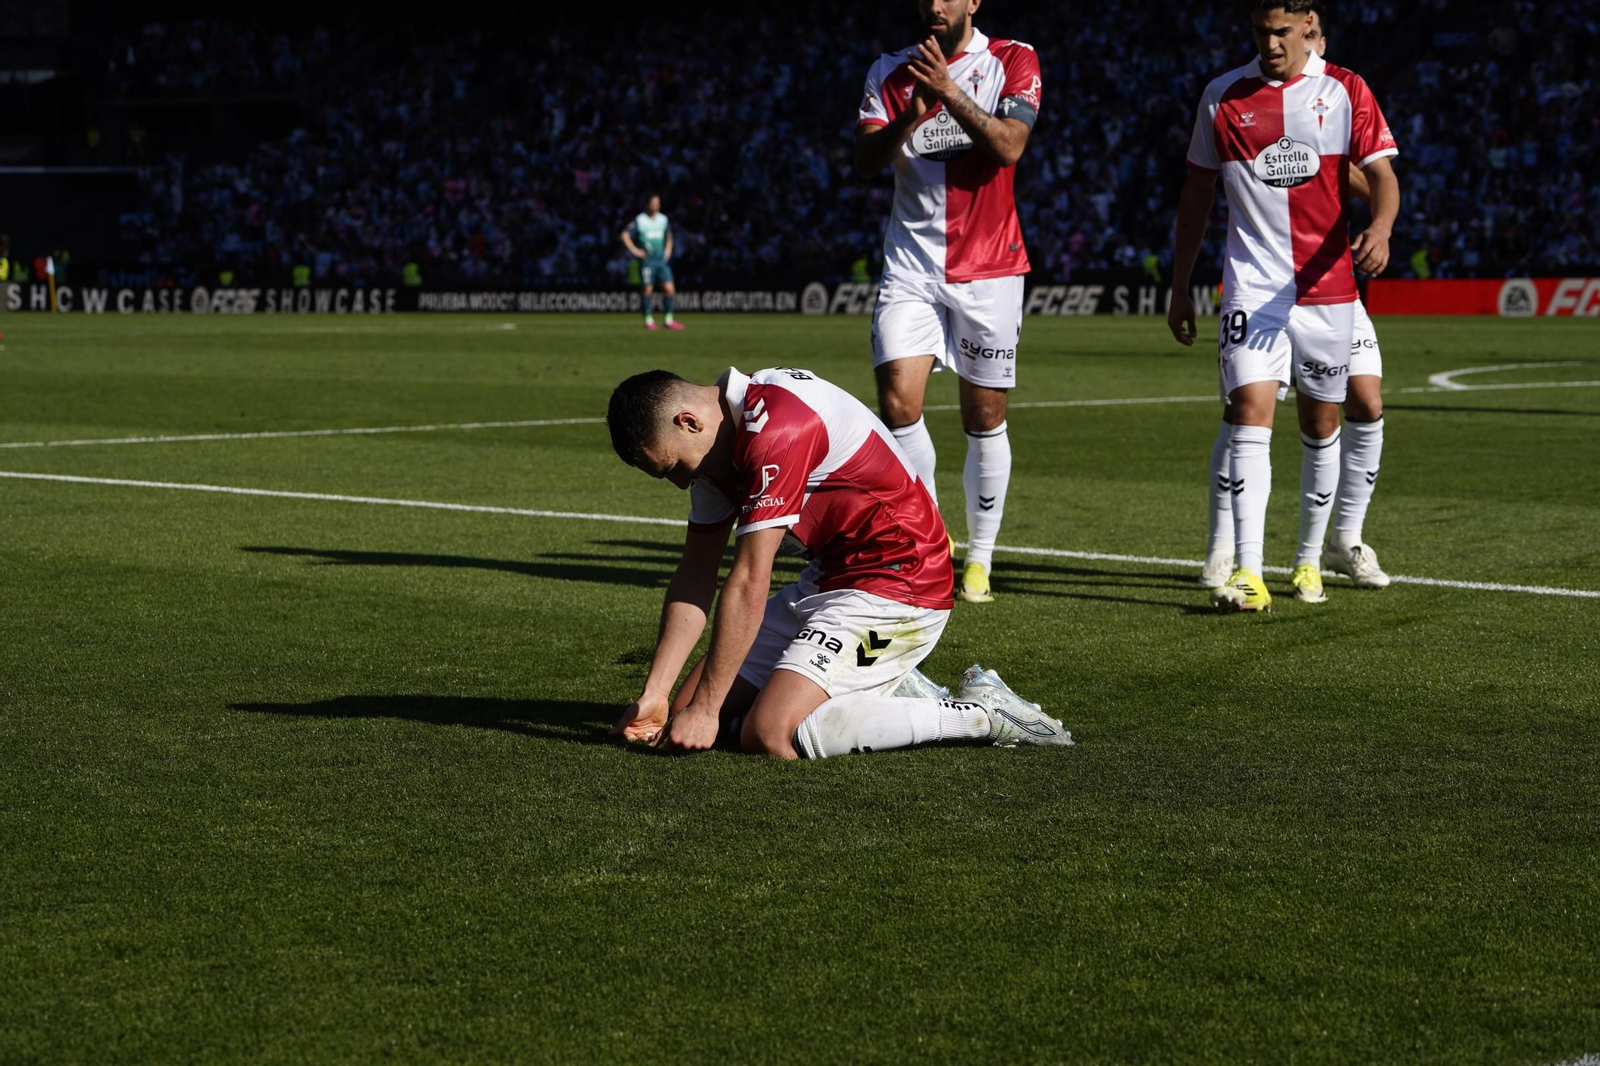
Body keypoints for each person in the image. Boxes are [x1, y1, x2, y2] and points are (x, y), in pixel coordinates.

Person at [605, 365, 1072, 758]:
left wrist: (708, 711)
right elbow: (695, 574)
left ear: (689, 422)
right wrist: (657, 695)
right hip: (830, 579)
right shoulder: (714, 446)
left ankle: (986, 714)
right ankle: (875, 688)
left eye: (673, 469)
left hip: (904, 582)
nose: (682, 484)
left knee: (769, 733)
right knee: (685, 716)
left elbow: (750, 579)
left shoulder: (778, 428)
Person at [1169, 0, 1399, 612]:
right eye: (1259, 32)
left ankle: (1313, 555)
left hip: (1327, 289)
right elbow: (1196, 192)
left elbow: (1380, 173)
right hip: (1253, 286)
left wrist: (1380, 227)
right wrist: (1179, 283)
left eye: (1281, 32)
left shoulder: (1346, 89)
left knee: (1326, 424)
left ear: (1308, 30)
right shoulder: (1222, 96)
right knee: (1248, 411)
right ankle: (1246, 569)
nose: (1270, 43)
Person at [854, 0, 1042, 603]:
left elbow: (1010, 145)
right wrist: (909, 114)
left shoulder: (1013, 60)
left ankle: (981, 558)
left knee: (983, 417)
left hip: (989, 268)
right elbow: (862, 162)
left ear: (973, 2)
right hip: (909, 267)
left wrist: (947, 92)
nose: (933, 4)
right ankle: (933, 533)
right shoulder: (887, 70)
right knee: (896, 402)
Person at [620, 194, 683, 331]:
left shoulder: (663, 219)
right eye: (653, 203)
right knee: (647, 289)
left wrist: (668, 250)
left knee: (669, 289)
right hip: (647, 260)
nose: (655, 205)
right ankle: (648, 320)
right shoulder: (640, 220)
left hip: (661, 259)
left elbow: (668, 235)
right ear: (647, 204)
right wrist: (635, 251)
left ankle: (668, 319)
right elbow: (624, 234)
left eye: (657, 203)